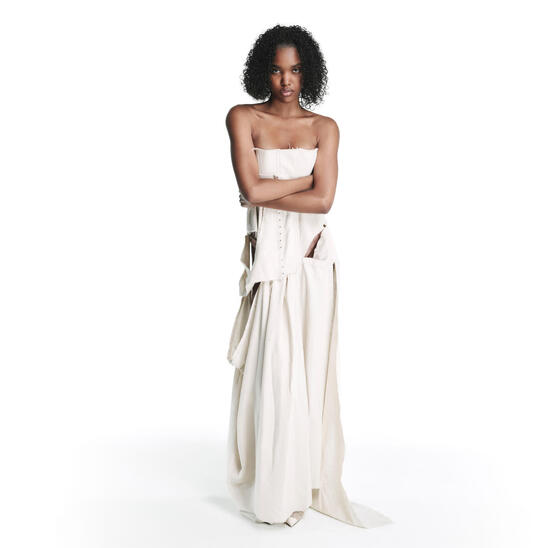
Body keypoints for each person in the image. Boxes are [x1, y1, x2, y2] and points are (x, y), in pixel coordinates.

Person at [225, 24, 392, 529]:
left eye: (295, 70)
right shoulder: (243, 118)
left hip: (312, 260)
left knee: (309, 371)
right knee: (273, 373)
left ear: (308, 73)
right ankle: (273, 491)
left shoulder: (325, 128)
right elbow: (255, 191)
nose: (286, 80)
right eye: (277, 70)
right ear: (263, 71)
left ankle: (302, 480)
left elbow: (322, 202)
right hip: (269, 268)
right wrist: (299, 180)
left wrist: (266, 188)